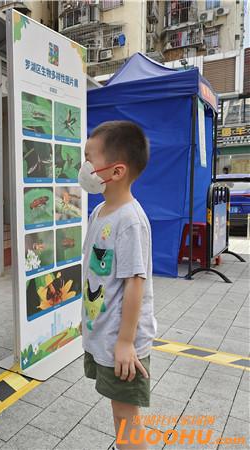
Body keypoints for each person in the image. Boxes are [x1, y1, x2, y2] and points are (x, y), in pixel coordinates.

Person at [78, 121, 157, 450]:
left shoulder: (129, 220)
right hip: (105, 331)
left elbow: (134, 284)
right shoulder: (100, 211)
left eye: (89, 158)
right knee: (118, 410)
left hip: (122, 342)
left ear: (117, 171)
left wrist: (125, 342)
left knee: (126, 415)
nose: (83, 166)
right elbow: (97, 275)